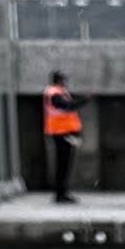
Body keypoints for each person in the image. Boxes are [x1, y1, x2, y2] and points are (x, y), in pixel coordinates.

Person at [43, 69, 82, 202]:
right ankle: (61, 194)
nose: (65, 82)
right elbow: (66, 106)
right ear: (58, 80)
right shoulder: (54, 93)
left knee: (64, 164)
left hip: (64, 132)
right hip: (61, 132)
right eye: (63, 79)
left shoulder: (57, 92)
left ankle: (62, 192)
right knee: (63, 164)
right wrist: (83, 101)